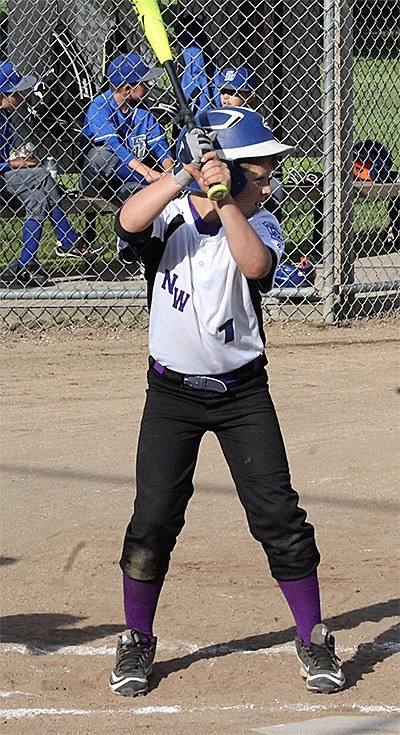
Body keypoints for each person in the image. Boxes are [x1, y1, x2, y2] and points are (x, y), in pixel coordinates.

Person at [109, 107, 346, 698]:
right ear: (232, 168)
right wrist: (189, 174)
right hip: (171, 396)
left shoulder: (260, 223)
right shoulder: (170, 218)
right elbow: (128, 219)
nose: (271, 184)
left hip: (243, 395)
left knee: (279, 517)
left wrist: (229, 199)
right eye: (261, 173)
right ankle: (136, 638)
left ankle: (313, 635)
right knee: (153, 520)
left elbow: (256, 265)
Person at [0, 61, 101, 288]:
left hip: (4, 181)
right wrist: (15, 163)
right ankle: (67, 238)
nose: (22, 95)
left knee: (38, 197)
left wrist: (20, 158)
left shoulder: (6, 118)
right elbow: (8, 162)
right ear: (3, 94)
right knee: (43, 176)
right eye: (16, 91)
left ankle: (26, 265)